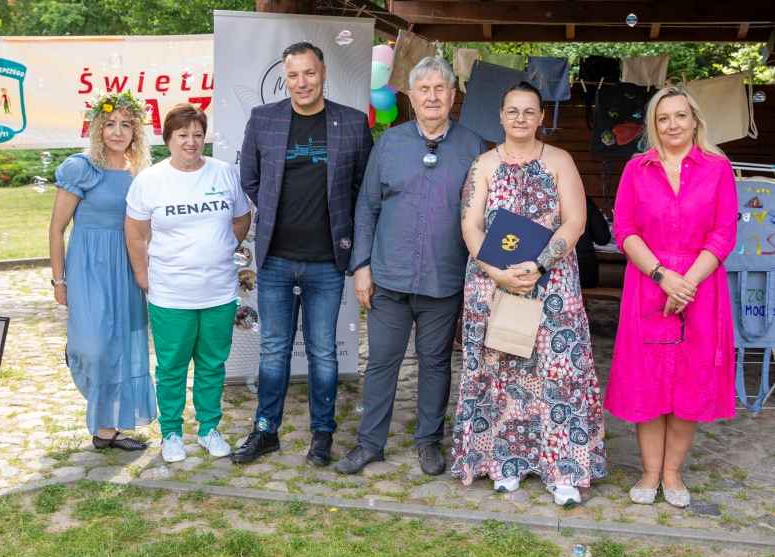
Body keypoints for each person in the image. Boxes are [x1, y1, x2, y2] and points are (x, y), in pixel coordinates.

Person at [449, 81, 606, 506]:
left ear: (541, 118)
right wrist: (495, 272)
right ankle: (505, 461)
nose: (520, 118)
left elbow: (574, 222)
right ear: (501, 116)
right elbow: (470, 225)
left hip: (551, 283)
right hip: (493, 282)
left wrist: (538, 266)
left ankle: (564, 469)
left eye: (529, 111)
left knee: (558, 373)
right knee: (500, 371)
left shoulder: (560, 160)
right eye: (513, 110)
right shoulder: (483, 164)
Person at [335, 56, 485, 476]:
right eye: (424, 89)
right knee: (382, 361)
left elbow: (485, 215)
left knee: (435, 363)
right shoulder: (389, 144)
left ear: (452, 96)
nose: (432, 97)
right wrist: (361, 266)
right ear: (412, 97)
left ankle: (428, 442)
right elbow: (366, 207)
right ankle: (370, 443)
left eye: (440, 89)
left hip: (444, 277)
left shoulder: (474, 148)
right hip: (389, 277)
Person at [232, 41, 373, 466]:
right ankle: (265, 432)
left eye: (309, 73)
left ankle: (322, 435)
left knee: (323, 351)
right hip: (275, 259)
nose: (302, 82)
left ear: (323, 73)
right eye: (293, 75)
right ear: (285, 78)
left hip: (327, 261)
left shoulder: (352, 123)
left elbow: (363, 188)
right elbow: (250, 179)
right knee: (273, 349)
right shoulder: (264, 119)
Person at [605, 86, 736, 508]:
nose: (673, 124)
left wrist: (687, 284)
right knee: (648, 380)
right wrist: (663, 277)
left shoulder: (717, 168)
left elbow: (723, 233)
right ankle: (648, 473)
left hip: (702, 286)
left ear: (694, 120)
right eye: (663, 118)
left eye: (680, 116)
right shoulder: (636, 169)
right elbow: (625, 230)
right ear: (653, 125)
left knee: (689, 380)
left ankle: (672, 474)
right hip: (648, 283)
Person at [126, 103, 251, 462]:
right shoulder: (149, 180)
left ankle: (209, 429)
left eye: (197, 134)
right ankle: (171, 434)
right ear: (168, 138)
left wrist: (223, 246)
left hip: (219, 291)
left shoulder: (224, 173)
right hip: (171, 293)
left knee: (212, 364)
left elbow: (242, 217)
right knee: (172, 368)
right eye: (183, 135)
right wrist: (142, 275)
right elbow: (135, 233)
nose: (191, 142)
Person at [50, 89, 157, 451]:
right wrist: (59, 280)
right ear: (98, 128)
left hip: (126, 267)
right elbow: (56, 228)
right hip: (88, 267)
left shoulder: (139, 173)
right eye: (110, 124)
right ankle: (77, 350)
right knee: (94, 347)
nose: (117, 131)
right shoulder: (81, 168)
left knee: (122, 345)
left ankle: (108, 429)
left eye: (126, 124)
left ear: (136, 131)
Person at [575, 198, 612, 289]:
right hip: (584, 271)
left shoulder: (548, 202)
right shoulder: (585, 202)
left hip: (553, 270)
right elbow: (603, 238)